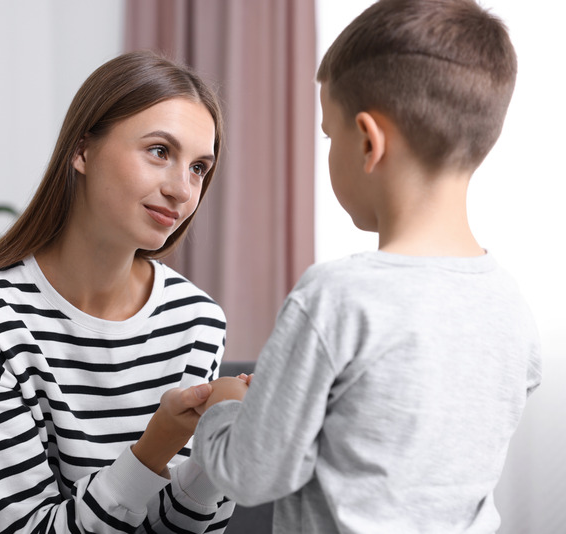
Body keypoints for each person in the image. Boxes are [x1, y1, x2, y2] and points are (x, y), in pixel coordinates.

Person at [189, 1, 542, 532]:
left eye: (329, 135)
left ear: (369, 142)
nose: (327, 150)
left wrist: (226, 406)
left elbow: (252, 474)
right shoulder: (511, 307)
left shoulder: (337, 296)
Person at [0, 50, 235, 533]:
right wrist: (157, 444)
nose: (183, 190)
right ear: (81, 150)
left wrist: (218, 455)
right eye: (160, 151)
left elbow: (172, 525)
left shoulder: (196, 321)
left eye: (199, 168)